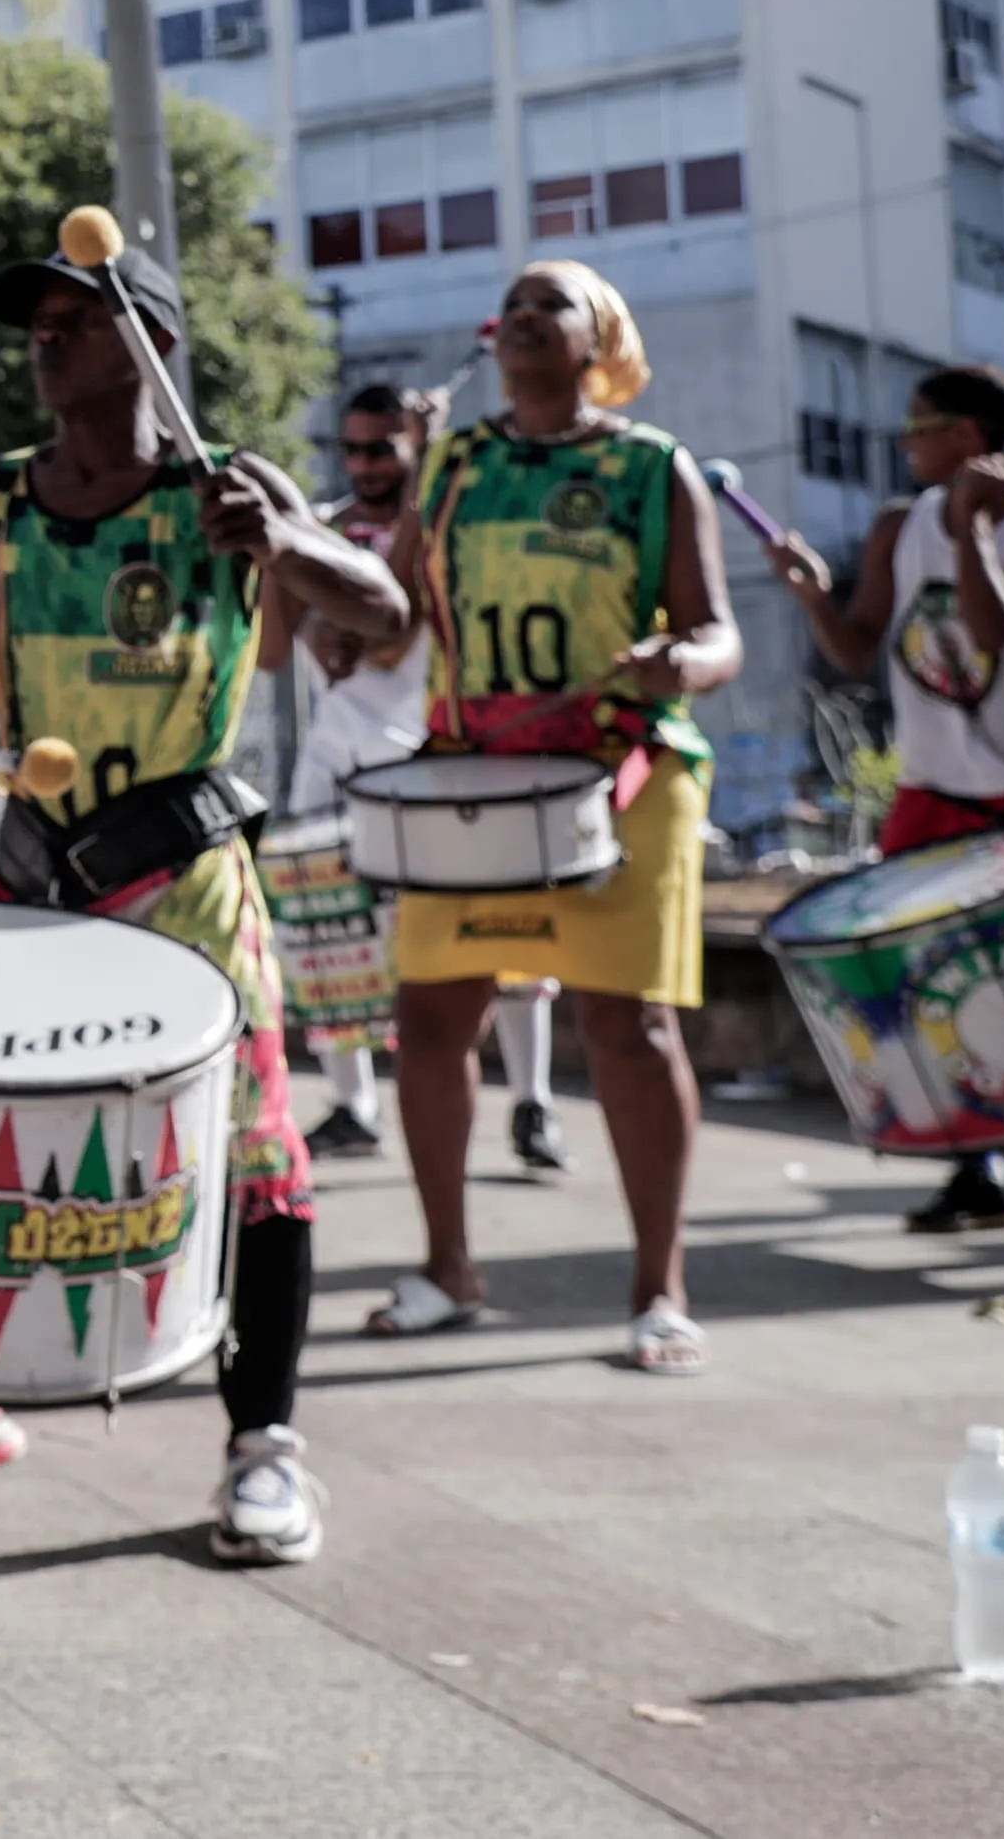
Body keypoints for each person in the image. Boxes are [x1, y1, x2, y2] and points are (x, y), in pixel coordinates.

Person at [0, 239, 404, 1562]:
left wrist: (284, 544)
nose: (46, 340)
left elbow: (384, 613)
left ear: (150, 337)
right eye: (35, 321)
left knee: (258, 1163)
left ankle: (263, 1446)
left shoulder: (227, 490)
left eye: (77, 317)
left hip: (189, 873)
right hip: (39, 864)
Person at [365, 260, 740, 1374]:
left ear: (598, 340)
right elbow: (392, 618)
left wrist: (680, 661)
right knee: (429, 1023)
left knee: (627, 1030)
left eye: (550, 307)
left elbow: (718, 632)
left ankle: (656, 1291)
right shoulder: (457, 465)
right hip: (470, 779)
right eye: (510, 309)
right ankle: (446, 1269)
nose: (523, 320)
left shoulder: (649, 465)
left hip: (615, 778)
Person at [768, 361, 1004, 1229]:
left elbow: (997, 633)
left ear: (967, 438)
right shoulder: (901, 523)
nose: (905, 445)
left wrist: (971, 526)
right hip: (937, 791)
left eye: (918, 428)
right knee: (927, 983)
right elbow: (858, 649)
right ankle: (979, 1171)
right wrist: (814, 597)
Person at [254, 385, 438, 1158]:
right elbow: (271, 650)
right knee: (323, 934)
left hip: (424, 757)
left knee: (446, 941)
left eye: (381, 448)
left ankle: (533, 1103)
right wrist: (278, 555)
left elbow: (392, 627)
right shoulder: (320, 531)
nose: (363, 464)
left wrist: (429, 472)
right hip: (334, 760)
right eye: (351, 449)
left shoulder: (437, 524)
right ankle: (352, 1104)